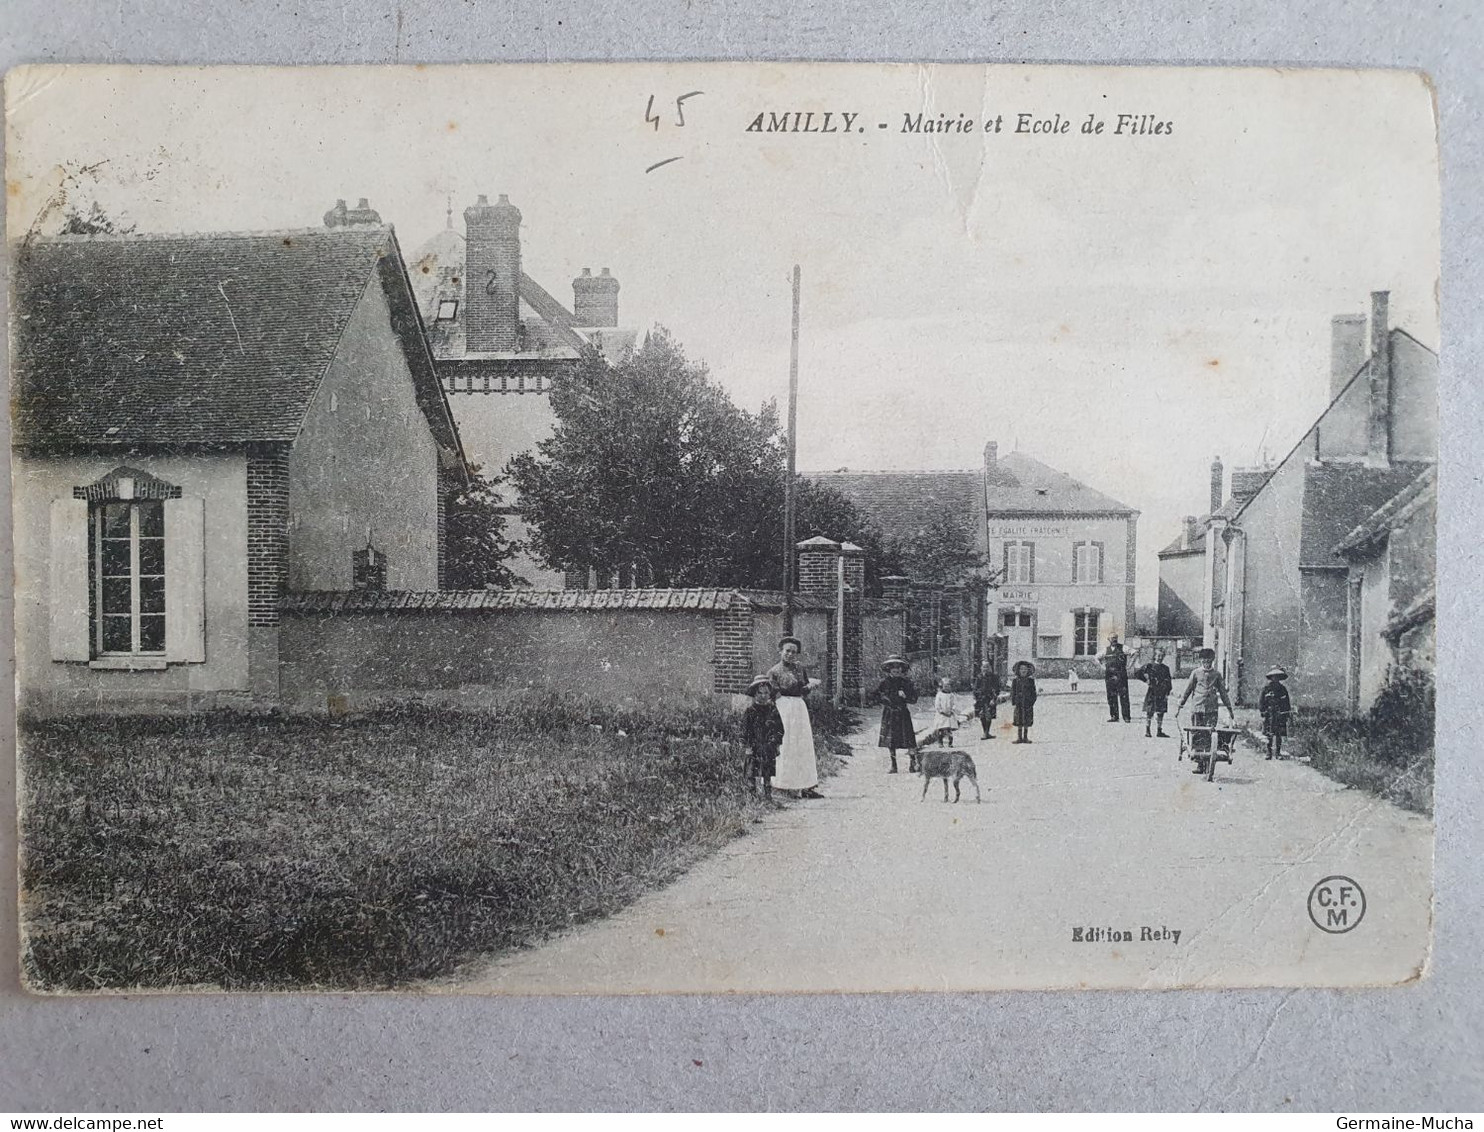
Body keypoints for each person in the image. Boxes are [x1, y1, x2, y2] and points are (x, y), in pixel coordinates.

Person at [767, 636, 823, 799]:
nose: (790, 654)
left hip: (799, 708)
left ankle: (806, 786)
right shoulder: (774, 671)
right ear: (781, 651)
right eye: (787, 651)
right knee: (787, 745)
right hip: (783, 708)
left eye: (794, 652)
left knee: (803, 745)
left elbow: (803, 689)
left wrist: (810, 686)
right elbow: (773, 694)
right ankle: (783, 785)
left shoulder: (800, 669)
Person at [1176, 647, 1236, 770]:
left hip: (1211, 710)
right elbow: (1187, 690)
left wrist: (1230, 709)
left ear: (1212, 661)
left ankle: (1209, 761)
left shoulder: (1217, 675)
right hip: (1197, 708)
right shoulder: (1195, 673)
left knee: (1210, 734)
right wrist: (1180, 705)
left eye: (1209, 661)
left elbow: (1223, 693)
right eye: (1204, 661)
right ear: (1201, 661)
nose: (1207, 663)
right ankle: (1199, 763)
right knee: (1197, 734)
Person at [740, 675, 785, 803]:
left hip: (768, 745)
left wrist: (775, 742)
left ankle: (767, 795)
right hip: (754, 745)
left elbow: (780, 729)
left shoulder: (773, 710)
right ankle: (752, 796)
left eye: (766, 693)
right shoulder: (750, 711)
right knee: (751, 770)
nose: (763, 696)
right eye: (760, 693)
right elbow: (745, 730)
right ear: (755, 694)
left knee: (767, 770)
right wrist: (747, 745)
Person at [875, 655, 919, 774]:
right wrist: (887, 699)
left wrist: (906, 696)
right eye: (893, 667)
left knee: (909, 738)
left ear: (902, 669)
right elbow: (877, 696)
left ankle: (912, 762)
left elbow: (914, 699)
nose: (896, 669)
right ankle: (894, 765)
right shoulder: (884, 683)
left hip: (903, 712)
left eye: (899, 667)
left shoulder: (906, 682)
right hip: (889, 713)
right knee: (891, 740)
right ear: (889, 669)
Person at [1131, 647, 1174, 738]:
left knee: (1160, 712)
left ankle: (1159, 730)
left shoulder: (1165, 668)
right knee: (1149, 711)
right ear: (1155, 656)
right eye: (1158, 655)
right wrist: (1146, 680)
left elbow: (1169, 681)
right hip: (1152, 691)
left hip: (1162, 692)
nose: (1160, 657)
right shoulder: (1150, 666)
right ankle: (1148, 730)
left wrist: (1167, 692)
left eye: (1162, 656)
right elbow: (1138, 673)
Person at [1259, 666, 1293, 760]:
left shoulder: (1282, 689)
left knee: (1278, 735)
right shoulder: (1266, 688)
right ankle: (1269, 752)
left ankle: (1278, 753)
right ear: (1271, 677)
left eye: (1278, 677)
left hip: (1279, 714)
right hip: (1269, 714)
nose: (1276, 678)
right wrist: (1262, 711)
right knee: (1269, 734)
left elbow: (1287, 702)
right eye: (1274, 676)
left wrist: (1286, 713)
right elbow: (1262, 701)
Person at [1099, 635, 1132, 722]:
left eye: (1115, 637)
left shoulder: (1123, 647)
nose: (1114, 639)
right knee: (1111, 696)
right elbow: (1096, 657)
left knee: (1124, 696)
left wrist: (1130, 665)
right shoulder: (1105, 650)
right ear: (1108, 639)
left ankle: (1126, 717)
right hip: (1109, 675)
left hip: (1121, 675)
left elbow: (1135, 653)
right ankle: (1114, 716)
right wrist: (1102, 666)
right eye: (1112, 638)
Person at [1010, 660, 1038, 744]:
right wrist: (1014, 701)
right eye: (1021, 669)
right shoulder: (1015, 681)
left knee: (1027, 719)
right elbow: (1013, 691)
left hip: (1027, 703)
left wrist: (1031, 701)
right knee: (1019, 720)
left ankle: (1025, 737)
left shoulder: (1030, 681)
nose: (1023, 671)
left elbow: (1033, 692)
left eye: (1025, 669)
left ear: (1028, 671)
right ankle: (1019, 737)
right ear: (1018, 670)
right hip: (1019, 703)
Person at [973, 661, 1001, 739]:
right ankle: (985, 732)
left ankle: (986, 732)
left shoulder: (994, 677)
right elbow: (975, 688)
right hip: (980, 699)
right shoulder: (979, 677)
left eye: (987, 667)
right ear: (981, 668)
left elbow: (997, 689)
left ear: (990, 668)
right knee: (982, 715)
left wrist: (994, 699)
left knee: (988, 715)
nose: (985, 669)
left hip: (990, 698)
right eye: (984, 667)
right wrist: (976, 697)